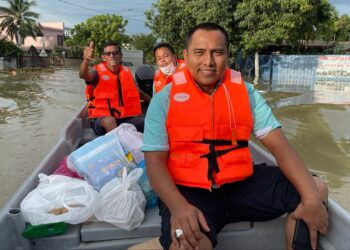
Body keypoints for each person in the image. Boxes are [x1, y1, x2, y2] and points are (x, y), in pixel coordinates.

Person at [142, 22, 328, 250]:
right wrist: (178, 208)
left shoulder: (246, 93)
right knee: (185, 245)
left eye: (217, 52)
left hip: (242, 187)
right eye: (199, 53)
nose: (208, 62)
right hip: (189, 193)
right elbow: (154, 165)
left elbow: (281, 148)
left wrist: (310, 198)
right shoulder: (165, 99)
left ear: (227, 55)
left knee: (315, 189)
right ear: (185, 55)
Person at [79, 41, 145, 135]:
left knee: (149, 122)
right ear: (103, 57)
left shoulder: (126, 72)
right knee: (110, 121)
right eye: (108, 53)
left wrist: (153, 102)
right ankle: (116, 147)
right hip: (103, 120)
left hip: (126, 118)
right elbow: (83, 75)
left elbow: (139, 93)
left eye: (115, 53)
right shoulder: (96, 72)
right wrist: (86, 60)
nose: (112, 55)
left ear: (121, 55)